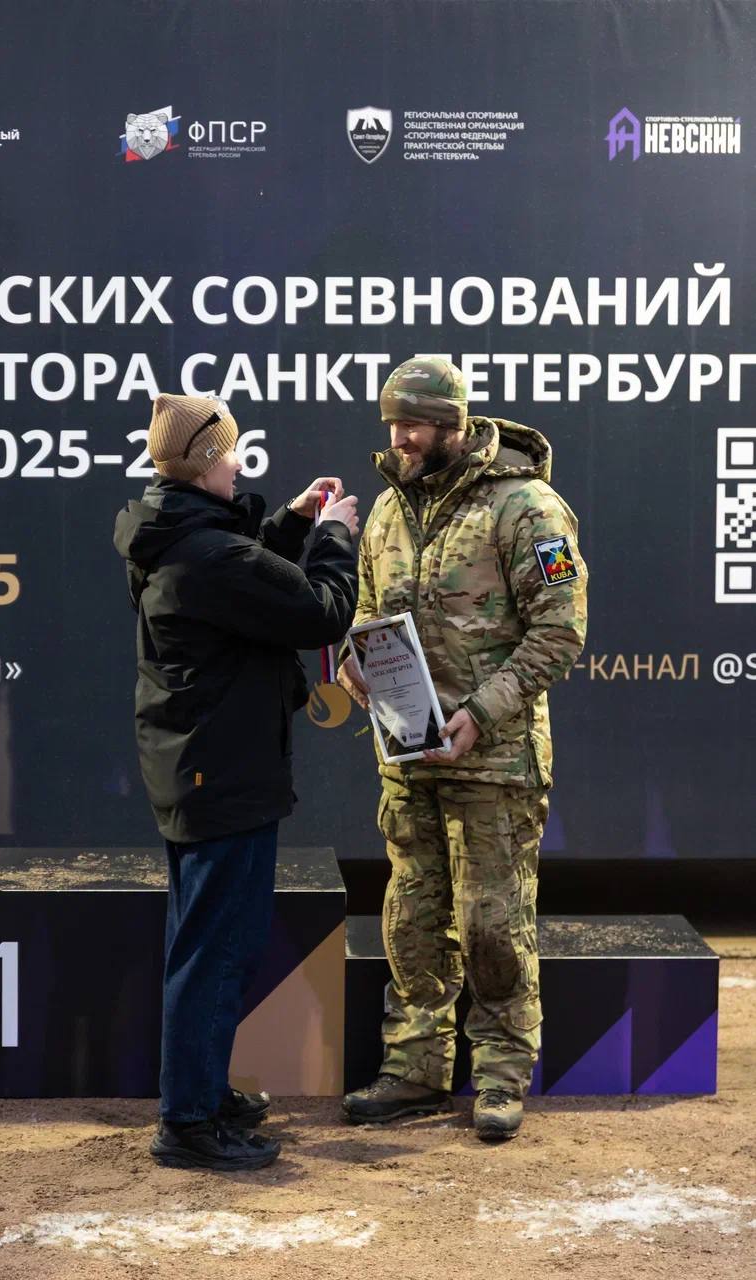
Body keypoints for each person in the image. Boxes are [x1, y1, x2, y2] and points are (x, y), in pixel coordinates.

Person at [337, 357, 587, 1141]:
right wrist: (351, 657)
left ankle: (502, 1074)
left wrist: (481, 712)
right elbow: (368, 612)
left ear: (453, 424)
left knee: (491, 924)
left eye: (412, 424)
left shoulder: (526, 507)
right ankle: (414, 1067)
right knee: (412, 919)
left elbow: (559, 631)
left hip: (496, 761)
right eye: (391, 424)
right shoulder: (386, 510)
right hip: (407, 757)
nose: (398, 439)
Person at [113, 391, 358, 1170]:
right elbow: (318, 612)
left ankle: (202, 1092)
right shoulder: (210, 556)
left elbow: (247, 573)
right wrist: (333, 538)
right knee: (216, 950)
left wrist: (289, 523)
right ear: (208, 463)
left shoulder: (167, 529)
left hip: (196, 766)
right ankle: (188, 1122)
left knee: (206, 943)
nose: (240, 464)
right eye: (231, 452)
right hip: (222, 773)